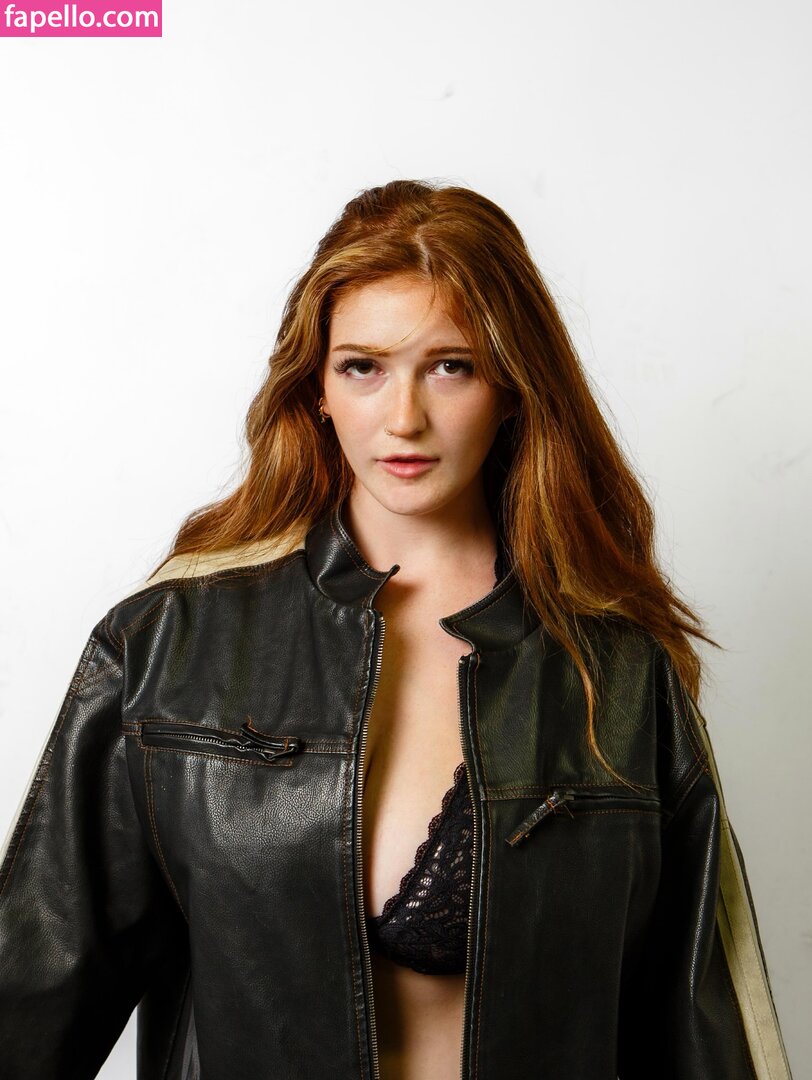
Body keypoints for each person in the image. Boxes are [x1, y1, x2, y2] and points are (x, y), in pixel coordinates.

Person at [0, 179, 794, 1080]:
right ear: (316, 387)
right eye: (363, 367)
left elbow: (703, 1016)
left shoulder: (615, 665)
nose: (404, 418)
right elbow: (35, 992)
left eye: (451, 365)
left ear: (513, 388)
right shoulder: (166, 644)